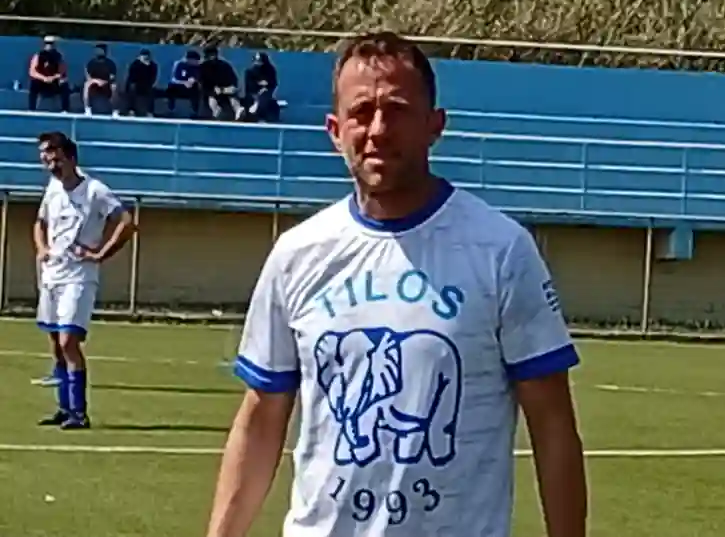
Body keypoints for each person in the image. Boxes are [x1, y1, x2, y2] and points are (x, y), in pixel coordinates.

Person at [204, 31, 588, 537]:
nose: (378, 130)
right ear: (335, 130)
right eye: (362, 112)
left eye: (398, 110)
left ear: (435, 125)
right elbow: (261, 418)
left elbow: (552, 423)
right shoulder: (298, 254)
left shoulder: (500, 249)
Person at [33, 131, 136, 430]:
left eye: (56, 159)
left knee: (69, 341)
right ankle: (64, 408)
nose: (51, 165)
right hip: (52, 274)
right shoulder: (53, 188)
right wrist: (42, 248)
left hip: (79, 277)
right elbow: (40, 222)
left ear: (71, 158)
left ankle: (79, 412)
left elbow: (126, 222)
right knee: (56, 341)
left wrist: (100, 254)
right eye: (45, 159)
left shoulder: (95, 191)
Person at [27, 35, 71, 112]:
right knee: (34, 84)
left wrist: (53, 78)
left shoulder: (58, 56)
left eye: (51, 43)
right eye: (47, 43)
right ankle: (31, 109)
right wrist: (44, 78)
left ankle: (65, 110)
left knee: (64, 85)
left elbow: (62, 72)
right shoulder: (38, 55)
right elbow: (32, 72)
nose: (49, 45)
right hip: (41, 81)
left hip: (53, 82)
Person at [198, 45, 243, 120]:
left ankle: (238, 112)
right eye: (210, 55)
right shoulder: (202, 67)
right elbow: (202, 84)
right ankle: (216, 114)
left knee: (233, 99)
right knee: (212, 100)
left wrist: (229, 88)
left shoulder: (224, 65)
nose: (212, 57)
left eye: (213, 54)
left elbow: (233, 80)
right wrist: (212, 91)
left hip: (226, 91)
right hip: (211, 92)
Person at [241, 51, 279, 123]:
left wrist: (265, 87)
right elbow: (249, 85)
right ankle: (255, 113)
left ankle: (258, 110)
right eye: (256, 61)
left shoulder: (270, 69)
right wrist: (259, 85)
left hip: (266, 91)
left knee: (264, 96)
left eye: (259, 61)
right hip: (253, 93)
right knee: (254, 99)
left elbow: (273, 83)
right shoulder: (250, 71)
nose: (257, 63)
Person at [120, 48, 158, 117]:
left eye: (146, 56)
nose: (145, 57)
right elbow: (132, 77)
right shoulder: (135, 64)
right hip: (136, 84)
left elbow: (153, 77)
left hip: (147, 85)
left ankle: (149, 111)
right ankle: (131, 109)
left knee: (152, 91)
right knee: (131, 88)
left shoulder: (153, 65)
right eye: (143, 56)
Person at [83, 43, 118, 116]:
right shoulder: (91, 63)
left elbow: (112, 77)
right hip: (94, 84)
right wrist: (96, 81)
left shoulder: (110, 63)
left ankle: (115, 111)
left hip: (106, 84)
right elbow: (88, 77)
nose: (98, 52)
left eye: (100, 50)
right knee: (86, 85)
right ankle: (87, 109)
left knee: (114, 87)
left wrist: (104, 82)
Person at [166, 50, 202, 117]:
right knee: (171, 88)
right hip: (179, 85)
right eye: (195, 60)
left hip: (191, 87)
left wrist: (194, 80)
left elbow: (199, 77)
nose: (197, 62)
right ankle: (171, 109)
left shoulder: (198, 67)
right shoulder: (179, 64)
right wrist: (184, 83)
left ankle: (195, 111)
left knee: (196, 89)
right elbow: (175, 78)